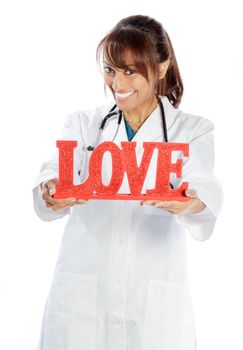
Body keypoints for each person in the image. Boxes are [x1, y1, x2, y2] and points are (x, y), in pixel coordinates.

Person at [33, 14, 223, 350]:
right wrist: (51, 190)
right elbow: (55, 171)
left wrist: (191, 201)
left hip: (154, 306)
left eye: (129, 71)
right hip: (82, 302)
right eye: (110, 70)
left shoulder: (192, 130)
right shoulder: (84, 125)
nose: (117, 83)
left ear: (161, 68)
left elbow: (202, 183)